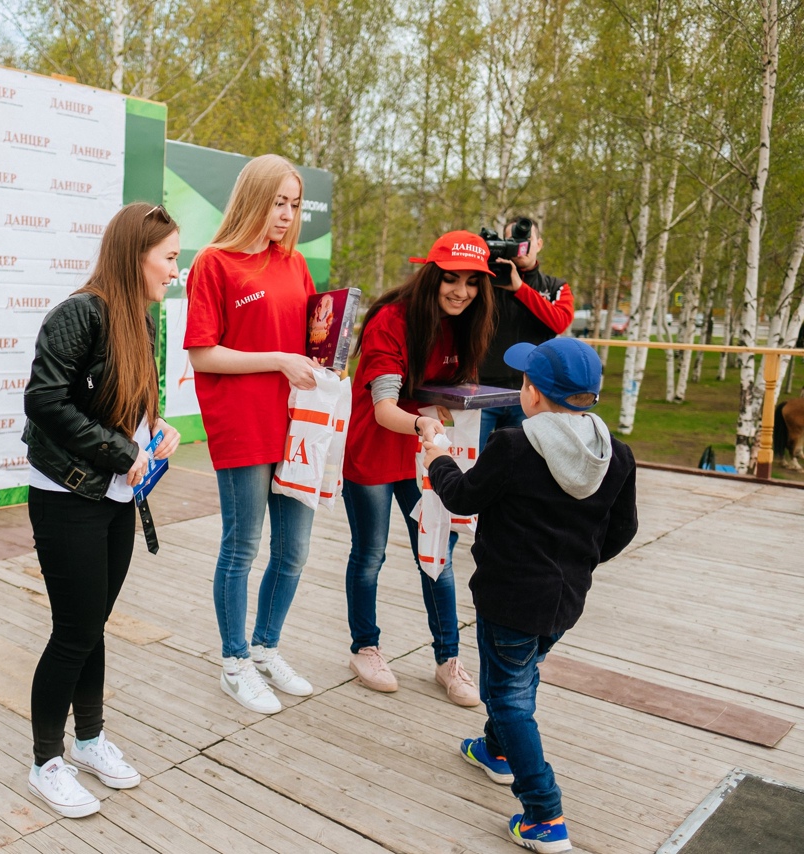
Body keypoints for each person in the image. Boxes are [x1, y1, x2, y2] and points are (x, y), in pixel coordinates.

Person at [423, 336, 637, 853]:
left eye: (523, 381)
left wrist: (438, 456)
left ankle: (545, 813)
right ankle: (496, 751)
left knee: (508, 696)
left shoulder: (514, 446)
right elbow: (623, 529)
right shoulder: (617, 454)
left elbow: (462, 497)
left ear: (534, 393)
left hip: (509, 599)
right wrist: (578, 563)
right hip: (566, 600)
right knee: (519, 673)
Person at [21, 202, 182, 818]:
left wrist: (156, 428)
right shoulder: (79, 313)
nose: (175, 271)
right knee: (74, 631)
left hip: (115, 496)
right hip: (67, 496)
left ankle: (88, 741)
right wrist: (120, 451)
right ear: (134, 255)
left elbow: (131, 404)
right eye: (169, 258)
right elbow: (45, 401)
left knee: (92, 626)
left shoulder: (141, 320)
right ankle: (46, 762)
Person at [184, 154, 322, 715]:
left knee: (294, 551)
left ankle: (266, 649)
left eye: (294, 204)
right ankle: (235, 662)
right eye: (277, 202)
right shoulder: (214, 262)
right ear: (252, 201)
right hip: (243, 423)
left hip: (298, 425)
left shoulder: (296, 264)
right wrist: (279, 360)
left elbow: (309, 345)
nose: (287, 215)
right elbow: (203, 353)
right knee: (242, 547)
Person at [342, 231, 495, 707]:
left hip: (422, 454)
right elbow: (385, 408)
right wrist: (424, 422)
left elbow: (446, 391)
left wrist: (448, 409)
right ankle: (365, 648)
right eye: (452, 279)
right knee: (370, 555)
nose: (461, 291)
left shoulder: (467, 323)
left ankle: (448, 659)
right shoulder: (391, 319)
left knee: (437, 555)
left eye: (472, 282)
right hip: (374, 449)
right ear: (432, 276)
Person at [476, 218, 574, 443]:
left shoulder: (555, 286)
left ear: (539, 244)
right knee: (474, 460)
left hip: (532, 394)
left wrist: (519, 288)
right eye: (513, 240)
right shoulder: (486, 281)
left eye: (526, 239)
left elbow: (559, 322)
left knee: (520, 460)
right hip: (482, 390)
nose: (521, 246)